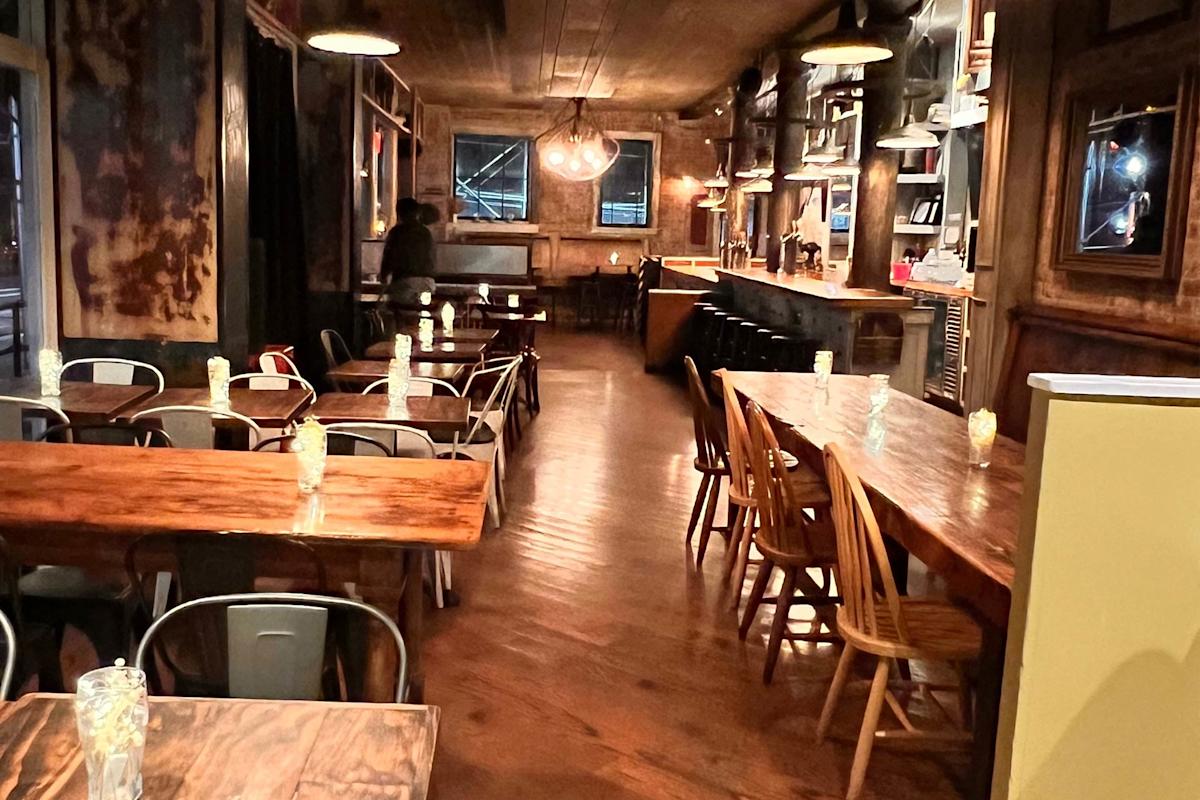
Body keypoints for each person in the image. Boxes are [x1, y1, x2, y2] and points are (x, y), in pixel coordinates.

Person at [380, 197, 436, 308]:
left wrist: (383, 277)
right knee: (425, 315)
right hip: (427, 282)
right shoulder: (426, 233)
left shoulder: (397, 232)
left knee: (398, 312)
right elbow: (432, 258)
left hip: (404, 281)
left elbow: (389, 256)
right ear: (417, 213)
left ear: (399, 214)